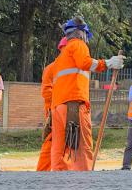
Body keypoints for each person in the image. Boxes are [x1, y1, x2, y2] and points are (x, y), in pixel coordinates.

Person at [49, 17, 124, 171]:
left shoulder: (60, 58)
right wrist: (107, 63)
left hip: (58, 108)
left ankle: (58, 180)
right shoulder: (78, 44)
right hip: (74, 106)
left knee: (60, 149)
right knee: (82, 147)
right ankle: (85, 181)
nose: (86, 39)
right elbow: (85, 62)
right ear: (81, 33)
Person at [37, 37, 67, 171]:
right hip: (54, 112)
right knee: (52, 142)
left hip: (68, 111)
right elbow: (46, 92)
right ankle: (42, 171)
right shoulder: (51, 68)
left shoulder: (71, 69)